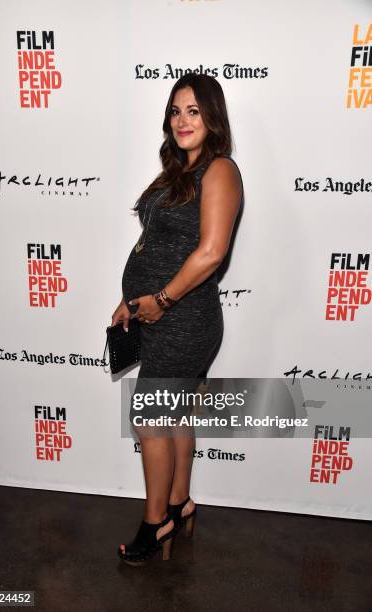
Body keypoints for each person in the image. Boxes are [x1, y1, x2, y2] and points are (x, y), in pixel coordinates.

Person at [111, 73, 242, 565]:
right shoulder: (178, 171)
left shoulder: (221, 170)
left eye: (193, 110)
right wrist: (132, 299)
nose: (182, 120)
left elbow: (210, 254)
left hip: (184, 318)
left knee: (150, 418)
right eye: (175, 110)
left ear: (213, 117)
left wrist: (161, 300)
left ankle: (156, 524)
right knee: (176, 413)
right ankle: (179, 503)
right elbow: (156, 243)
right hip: (159, 310)